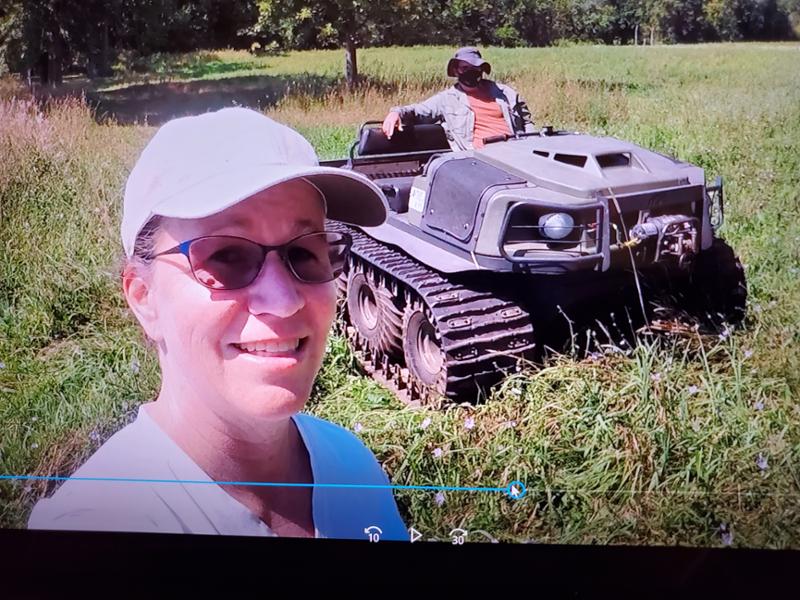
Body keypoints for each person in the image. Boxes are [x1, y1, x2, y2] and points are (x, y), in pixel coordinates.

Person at [28, 107, 408, 541]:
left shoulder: (350, 464)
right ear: (144, 298)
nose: (283, 302)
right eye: (226, 257)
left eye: (304, 253)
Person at [381, 47, 535, 150]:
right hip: (480, 157)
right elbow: (418, 111)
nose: (471, 72)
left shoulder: (505, 93)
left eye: (475, 68)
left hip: (516, 152)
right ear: (456, 71)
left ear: (481, 70)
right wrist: (396, 113)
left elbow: (527, 122)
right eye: (465, 68)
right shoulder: (447, 99)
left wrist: (531, 146)